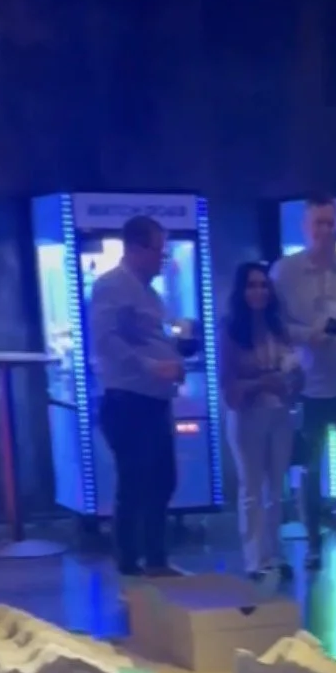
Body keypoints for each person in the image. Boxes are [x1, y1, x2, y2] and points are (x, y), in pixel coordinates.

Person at [271, 198, 336, 567]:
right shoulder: (285, 271)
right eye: (318, 225)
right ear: (305, 228)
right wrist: (307, 334)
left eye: (330, 223)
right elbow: (276, 325)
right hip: (307, 386)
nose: (326, 231)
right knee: (308, 469)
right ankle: (312, 540)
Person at [88, 214, 183, 578]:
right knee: (135, 480)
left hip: (155, 401)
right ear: (136, 248)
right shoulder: (112, 287)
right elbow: (106, 338)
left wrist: (174, 359)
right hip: (128, 401)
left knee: (163, 479)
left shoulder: (152, 294)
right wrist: (149, 365)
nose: (162, 258)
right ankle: (130, 564)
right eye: (158, 250)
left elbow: (152, 337)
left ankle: (157, 559)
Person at [220, 262, 300, 581]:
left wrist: (290, 380)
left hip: (280, 414)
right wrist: (263, 382)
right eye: (252, 285)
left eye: (264, 285)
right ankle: (255, 559)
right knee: (251, 488)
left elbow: (296, 373)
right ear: (242, 291)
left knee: (276, 490)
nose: (259, 291)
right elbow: (229, 387)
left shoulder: (279, 327)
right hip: (246, 415)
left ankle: (275, 554)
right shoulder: (230, 330)